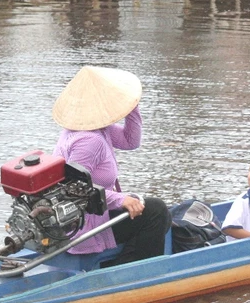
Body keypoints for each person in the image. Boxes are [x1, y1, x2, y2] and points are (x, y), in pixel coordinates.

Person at [52, 66, 170, 267]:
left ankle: (126, 258)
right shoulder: (89, 141)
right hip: (85, 224)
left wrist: (131, 106)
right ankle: (134, 270)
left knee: (159, 214)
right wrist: (120, 199)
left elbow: (130, 141)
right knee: (157, 211)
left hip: (94, 212)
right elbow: (72, 190)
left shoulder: (97, 129)